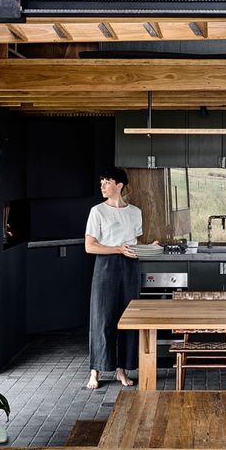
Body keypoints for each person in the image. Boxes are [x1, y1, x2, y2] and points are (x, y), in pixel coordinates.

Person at [84, 167, 146, 390]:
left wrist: (149, 248)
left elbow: (135, 244)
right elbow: (90, 247)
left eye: (106, 182)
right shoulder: (97, 211)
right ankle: (95, 370)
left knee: (127, 319)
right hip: (106, 266)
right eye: (101, 182)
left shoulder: (135, 212)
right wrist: (118, 249)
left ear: (119, 185)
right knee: (103, 318)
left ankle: (122, 370)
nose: (102, 186)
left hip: (130, 267)